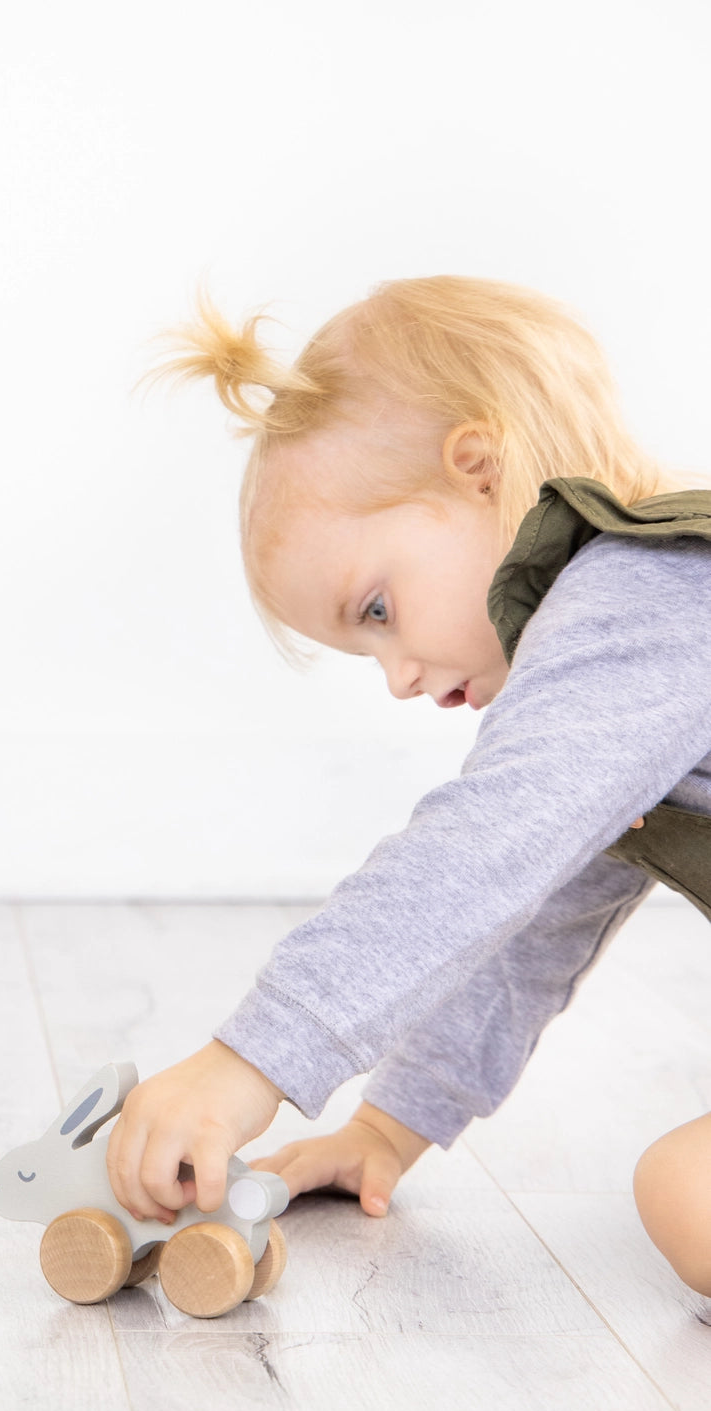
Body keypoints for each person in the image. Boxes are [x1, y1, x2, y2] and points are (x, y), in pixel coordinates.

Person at [104, 275, 711, 1296]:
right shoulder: (619, 676)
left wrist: (247, 1060)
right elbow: (526, 931)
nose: (397, 677)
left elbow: (475, 857)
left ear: (479, 471)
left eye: (376, 609)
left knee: (681, 1192)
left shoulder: (645, 595)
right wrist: (390, 1126)